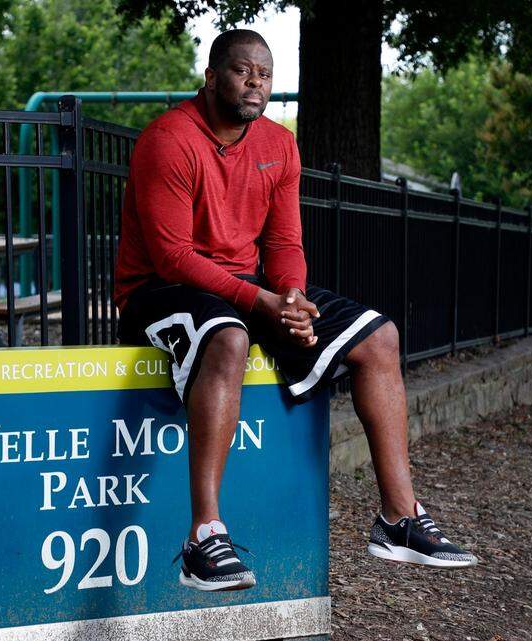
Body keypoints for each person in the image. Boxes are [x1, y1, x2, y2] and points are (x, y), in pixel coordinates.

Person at [114, 28, 478, 592]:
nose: (255, 83)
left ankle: (399, 519)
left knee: (380, 339)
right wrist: (259, 299)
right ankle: (202, 539)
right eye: (242, 71)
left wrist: (290, 298)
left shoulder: (279, 146)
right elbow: (172, 255)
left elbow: (283, 244)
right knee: (229, 337)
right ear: (212, 77)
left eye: (265, 75)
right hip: (158, 290)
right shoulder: (169, 139)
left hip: (244, 286)